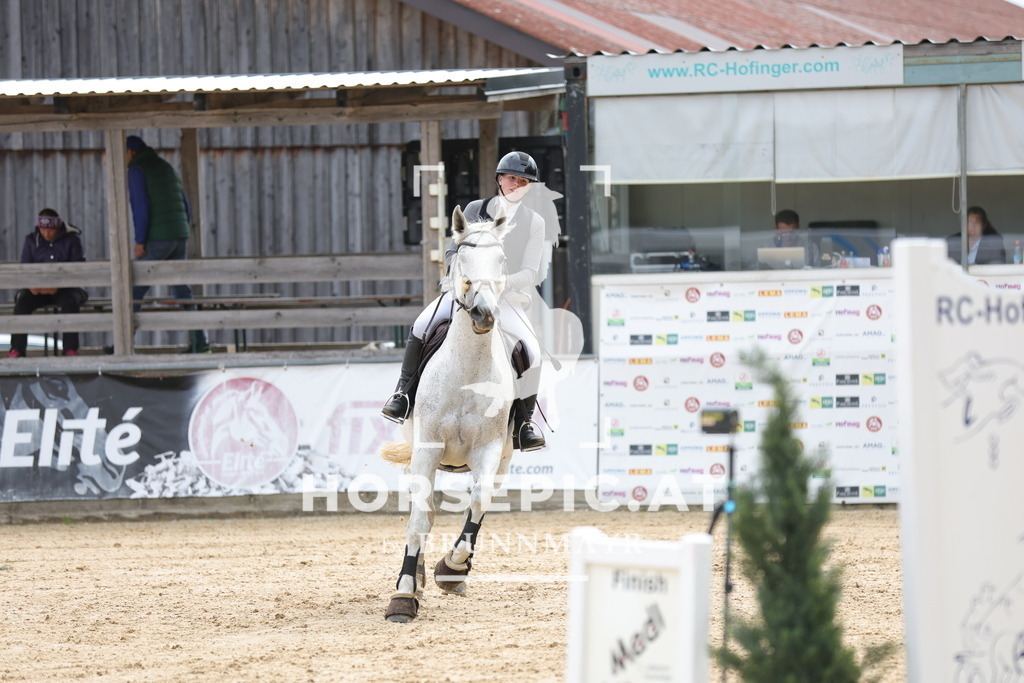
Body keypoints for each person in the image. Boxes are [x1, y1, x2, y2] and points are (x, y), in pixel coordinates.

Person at [381, 151, 550, 451]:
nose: (517, 185)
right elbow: (452, 249)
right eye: (512, 178)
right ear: (500, 179)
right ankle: (402, 396)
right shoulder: (475, 209)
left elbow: (531, 271)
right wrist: (457, 279)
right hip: (464, 293)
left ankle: (524, 424)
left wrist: (499, 285)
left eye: (524, 181)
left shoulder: (534, 222)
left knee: (533, 351)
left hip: (506, 299)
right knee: (421, 325)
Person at [125, 134, 210, 353]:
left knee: (135, 289)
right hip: (179, 235)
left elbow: (140, 207)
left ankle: (123, 345)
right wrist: (182, 228)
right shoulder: (164, 166)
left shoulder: (137, 169)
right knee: (183, 291)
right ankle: (199, 342)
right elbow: (184, 203)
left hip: (157, 237)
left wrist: (140, 240)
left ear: (131, 152)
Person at [7, 209, 89, 358]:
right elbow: (25, 267)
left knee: (70, 302)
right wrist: (32, 286)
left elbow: (78, 268)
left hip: (67, 289)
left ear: (57, 228)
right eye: (43, 229)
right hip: (37, 289)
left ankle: (70, 349)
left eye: (50, 230)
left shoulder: (72, 240)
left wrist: (60, 285)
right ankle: (17, 349)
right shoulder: (31, 240)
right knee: (22, 301)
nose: (46, 233)